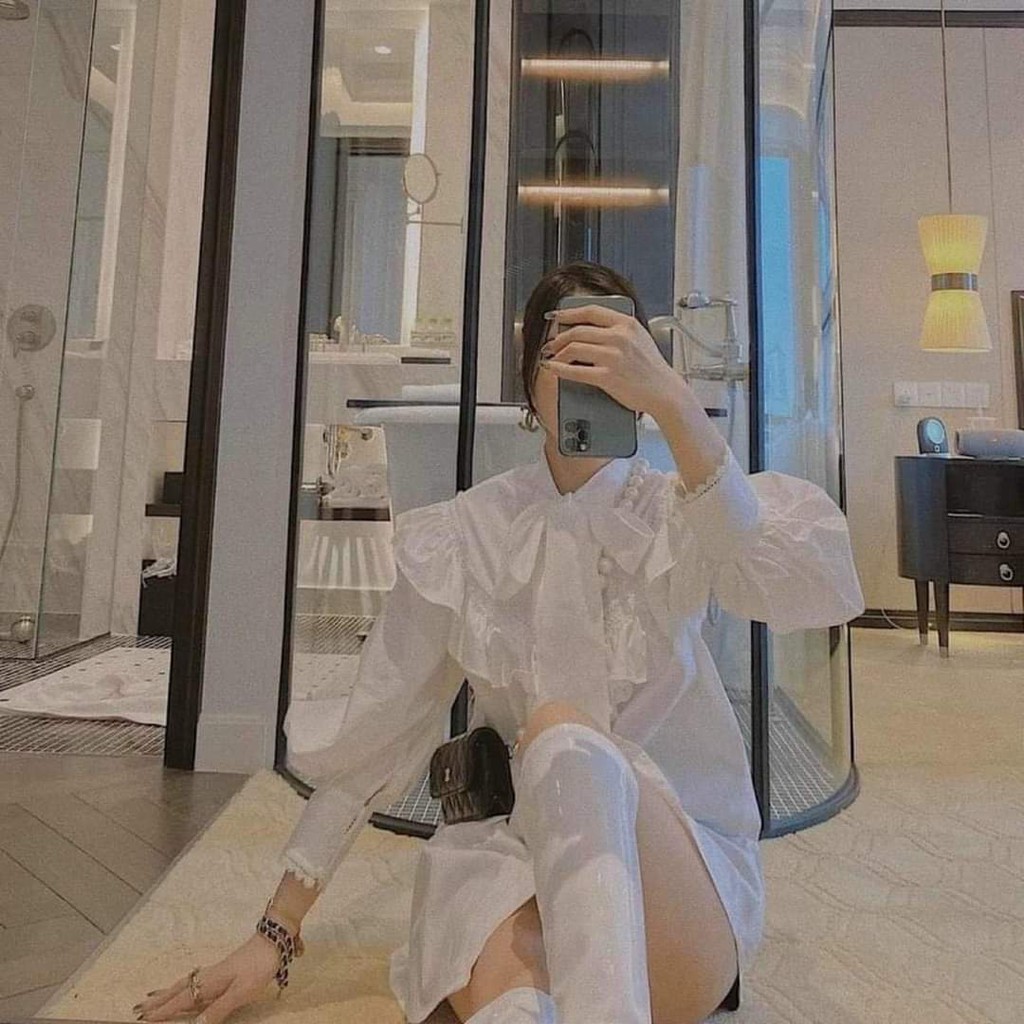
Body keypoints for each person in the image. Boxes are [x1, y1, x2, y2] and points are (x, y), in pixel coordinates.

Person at [133, 261, 865, 1024]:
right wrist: (274, 933)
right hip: (513, 860)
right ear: (527, 385)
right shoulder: (466, 536)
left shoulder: (687, 512)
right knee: (510, 1002)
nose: (591, 370)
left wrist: (677, 406)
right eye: (568, 350)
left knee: (559, 732)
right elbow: (378, 739)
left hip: (672, 868)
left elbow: (809, 588)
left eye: (614, 351)